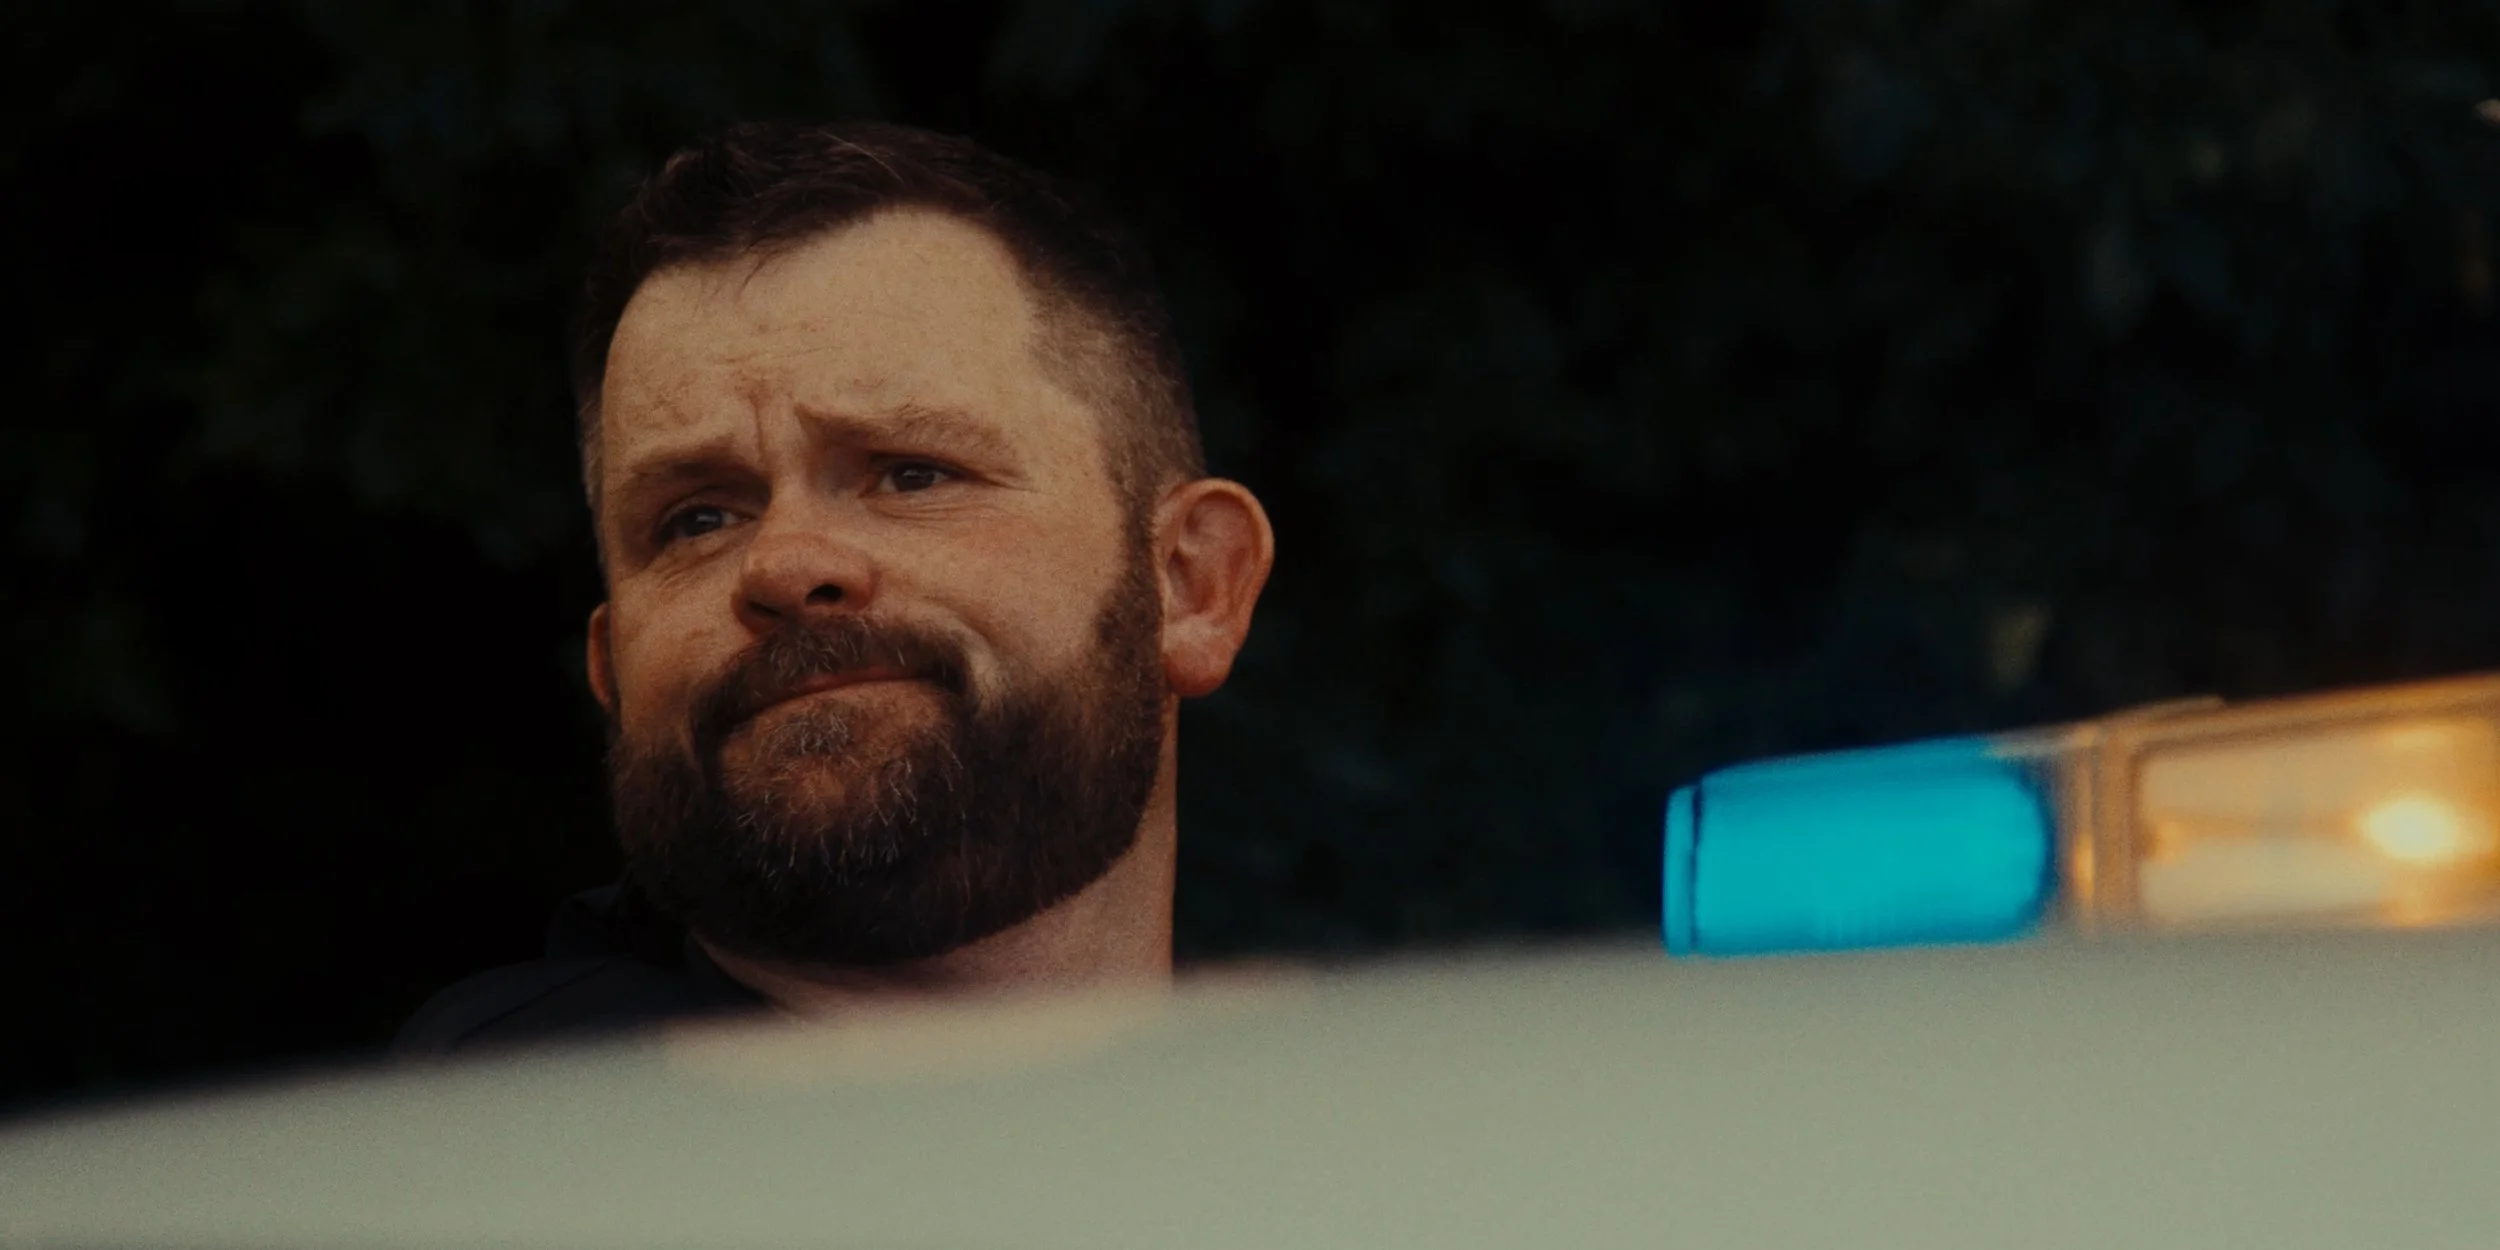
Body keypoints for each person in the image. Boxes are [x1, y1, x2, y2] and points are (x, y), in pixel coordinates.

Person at [393, 121, 1275, 1056]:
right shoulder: (481, 1157)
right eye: (697, 521)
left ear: (1192, 584)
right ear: (610, 668)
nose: (783, 564)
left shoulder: (1346, 1159)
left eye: (911, 475)